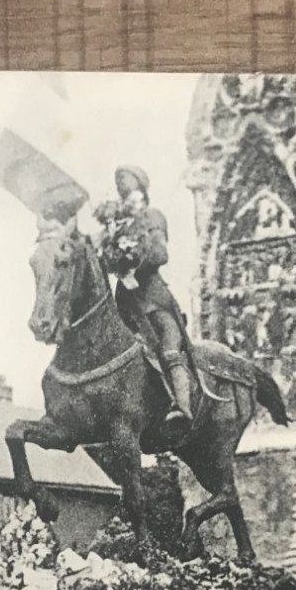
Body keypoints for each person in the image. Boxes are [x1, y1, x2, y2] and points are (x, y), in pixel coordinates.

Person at [96, 165, 194, 425]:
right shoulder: (115, 226)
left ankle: (182, 407)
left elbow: (160, 254)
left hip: (152, 298)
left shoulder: (152, 217)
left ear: (142, 191)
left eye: (130, 189)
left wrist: (133, 266)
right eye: (122, 191)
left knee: (169, 348)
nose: (125, 194)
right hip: (125, 303)